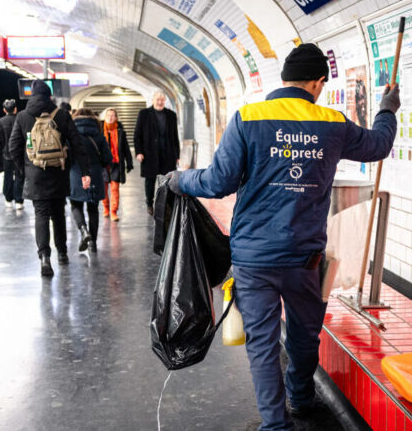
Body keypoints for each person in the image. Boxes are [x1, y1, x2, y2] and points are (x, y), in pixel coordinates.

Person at [166, 43, 399, 431]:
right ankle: (302, 398)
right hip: (305, 259)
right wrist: (387, 110)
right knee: (306, 337)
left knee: (262, 342)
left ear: (285, 79)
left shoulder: (248, 117)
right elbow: (379, 145)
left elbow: (217, 181)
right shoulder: (332, 122)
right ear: (317, 82)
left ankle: (275, 424)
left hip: (253, 258)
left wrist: (179, 180)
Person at [8, 80, 90, 277]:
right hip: (58, 173)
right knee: (58, 214)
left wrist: (25, 170)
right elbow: (77, 143)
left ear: (32, 95)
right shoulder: (61, 115)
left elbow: (13, 147)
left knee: (41, 214)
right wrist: (83, 170)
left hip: (35, 175)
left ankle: (45, 257)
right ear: (50, 96)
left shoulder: (23, 116)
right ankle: (62, 254)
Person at [69, 108, 112, 253]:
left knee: (76, 205)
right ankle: (93, 242)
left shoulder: (71, 135)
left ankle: (83, 230)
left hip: (76, 173)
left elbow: (67, 157)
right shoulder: (99, 135)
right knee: (93, 209)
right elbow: (107, 158)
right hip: (94, 174)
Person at [134, 91, 180, 215]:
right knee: (150, 180)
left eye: (162, 100)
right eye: (158, 99)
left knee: (167, 180)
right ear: (153, 100)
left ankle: (166, 203)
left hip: (167, 154)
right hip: (149, 154)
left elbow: (175, 136)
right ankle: (149, 203)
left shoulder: (171, 115)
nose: (160, 102)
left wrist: (177, 155)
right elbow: (137, 134)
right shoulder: (144, 114)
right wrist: (139, 152)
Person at [101, 108, 134, 220]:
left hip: (116, 163)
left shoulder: (121, 132)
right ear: (104, 117)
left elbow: (126, 149)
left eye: (112, 115)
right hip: (103, 164)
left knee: (115, 189)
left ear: (116, 118)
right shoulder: (99, 131)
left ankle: (114, 211)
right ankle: (106, 208)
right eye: (108, 115)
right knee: (103, 189)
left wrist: (129, 163)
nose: (110, 117)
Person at [0, 99, 24, 209]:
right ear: (15, 109)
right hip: (19, 154)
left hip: (6, 155)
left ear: (4, 110)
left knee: (8, 176)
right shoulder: (20, 121)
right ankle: (19, 200)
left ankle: (8, 199)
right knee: (20, 176)